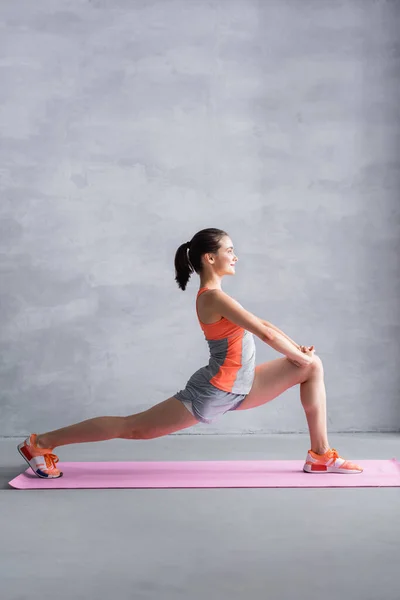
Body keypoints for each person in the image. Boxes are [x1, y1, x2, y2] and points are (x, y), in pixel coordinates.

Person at [17, 227, 362, 479]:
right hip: (214, 390)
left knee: (311, 366)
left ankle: (320, 456)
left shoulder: (221, 295)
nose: (236, 255)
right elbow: (264, 332)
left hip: (242, 386)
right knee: (135, 428)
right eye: (230, 250)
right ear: (210, 258)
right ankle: (41, 442)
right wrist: (295, 354)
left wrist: (299, 351)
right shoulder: (212, 297)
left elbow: (262, 322)